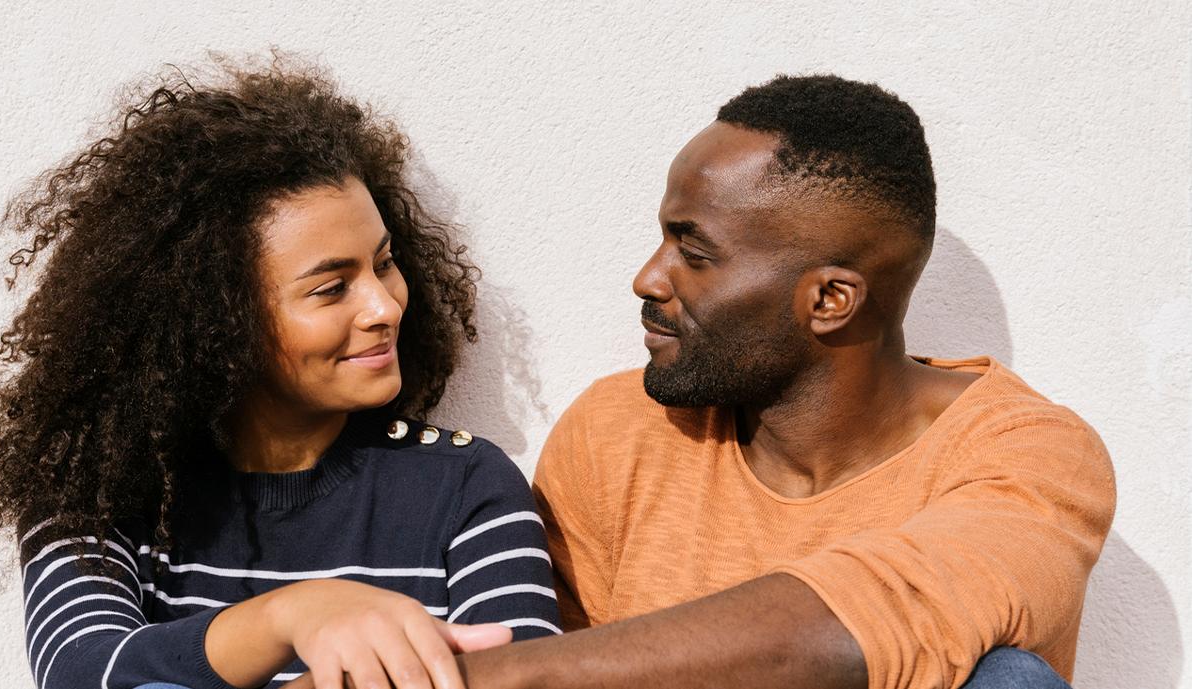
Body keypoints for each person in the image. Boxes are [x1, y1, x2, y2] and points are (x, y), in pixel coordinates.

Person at [453, 75, 1115, 689]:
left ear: (830, 299)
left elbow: (867, 618)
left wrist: (479, 679)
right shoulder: (617, 430)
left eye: (695, 252)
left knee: (1008, 678)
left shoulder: (1029, 454)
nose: (649, 278)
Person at [0, 59, 560, 689]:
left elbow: (524, 678)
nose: (384, 307)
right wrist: (290, 617)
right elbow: (82, 672)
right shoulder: (100, 493)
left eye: (384, 263)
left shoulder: (465, 486)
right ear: (217, 321)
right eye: (331, 289)